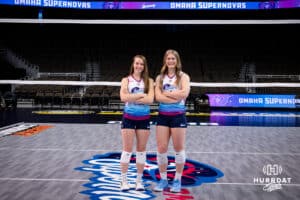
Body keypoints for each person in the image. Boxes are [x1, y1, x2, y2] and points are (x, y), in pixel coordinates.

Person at [153, 49, 190, 193]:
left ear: (177, 61)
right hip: (163, 116)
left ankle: (177, 180)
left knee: (178, 149)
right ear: (165, 61)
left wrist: (166, 93)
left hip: (178, 116)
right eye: (168, 58)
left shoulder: (183, 77)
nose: (170, 61)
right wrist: (175, 95)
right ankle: (163, 180)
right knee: (161, 148)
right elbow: (158, 97)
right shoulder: (159, 78)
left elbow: (184, 94)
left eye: (173, 59)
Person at [119, 55, 154, 191]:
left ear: (144, 67)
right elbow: (123, 97)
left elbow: (150, 100)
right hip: (129, 118)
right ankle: (123, 181)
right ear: (133, 65)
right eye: (137, 63)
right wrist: (141, 96)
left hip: (143, 118)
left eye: (142, 64)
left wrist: (131, 97)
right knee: (127, 151)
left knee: (141, 152)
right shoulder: (125, 80)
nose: (139, 66)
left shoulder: (149, 81)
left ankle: (138, 181)